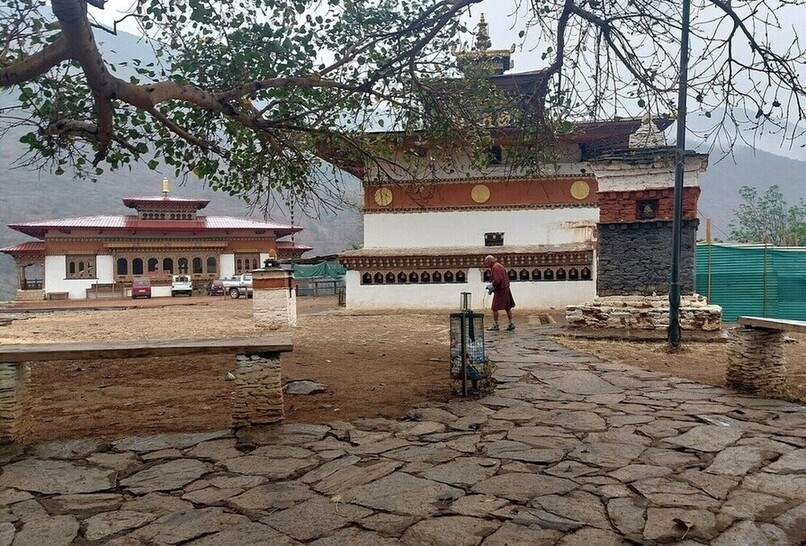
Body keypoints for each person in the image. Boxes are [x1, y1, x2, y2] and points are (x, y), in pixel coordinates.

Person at [484, 255, 515, 331]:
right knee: (507, 307)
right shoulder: (499, 265)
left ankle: (496, 324)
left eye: (487, 263)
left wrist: (491, 286)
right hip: (506, 288)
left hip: (501, 290)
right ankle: (511, 323)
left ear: (490, 261)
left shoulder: (495, 267)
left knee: (494, 308)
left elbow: (498, 279)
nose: (487, 265)